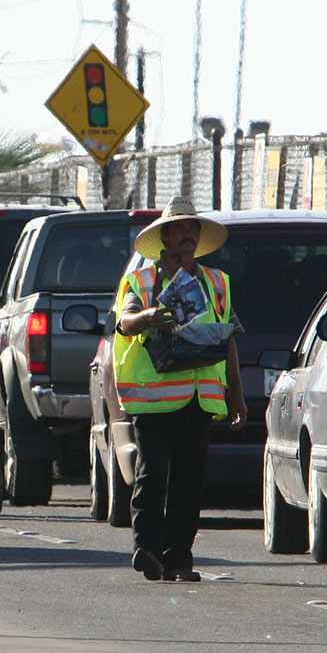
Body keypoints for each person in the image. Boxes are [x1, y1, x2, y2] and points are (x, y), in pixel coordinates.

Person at [112, 197, 246, 582]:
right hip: (153, 401)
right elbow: (125, 323)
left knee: (189, 481)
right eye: (179, 229)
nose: (187, 235)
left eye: (193, 229)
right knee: (152, 475)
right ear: (165, 238)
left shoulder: (217, 283)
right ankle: (147, 550)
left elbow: (229, 340)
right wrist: (148, 317)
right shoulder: (142, 281)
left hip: (199, 399)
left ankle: (179, 560)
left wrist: (235, 396)